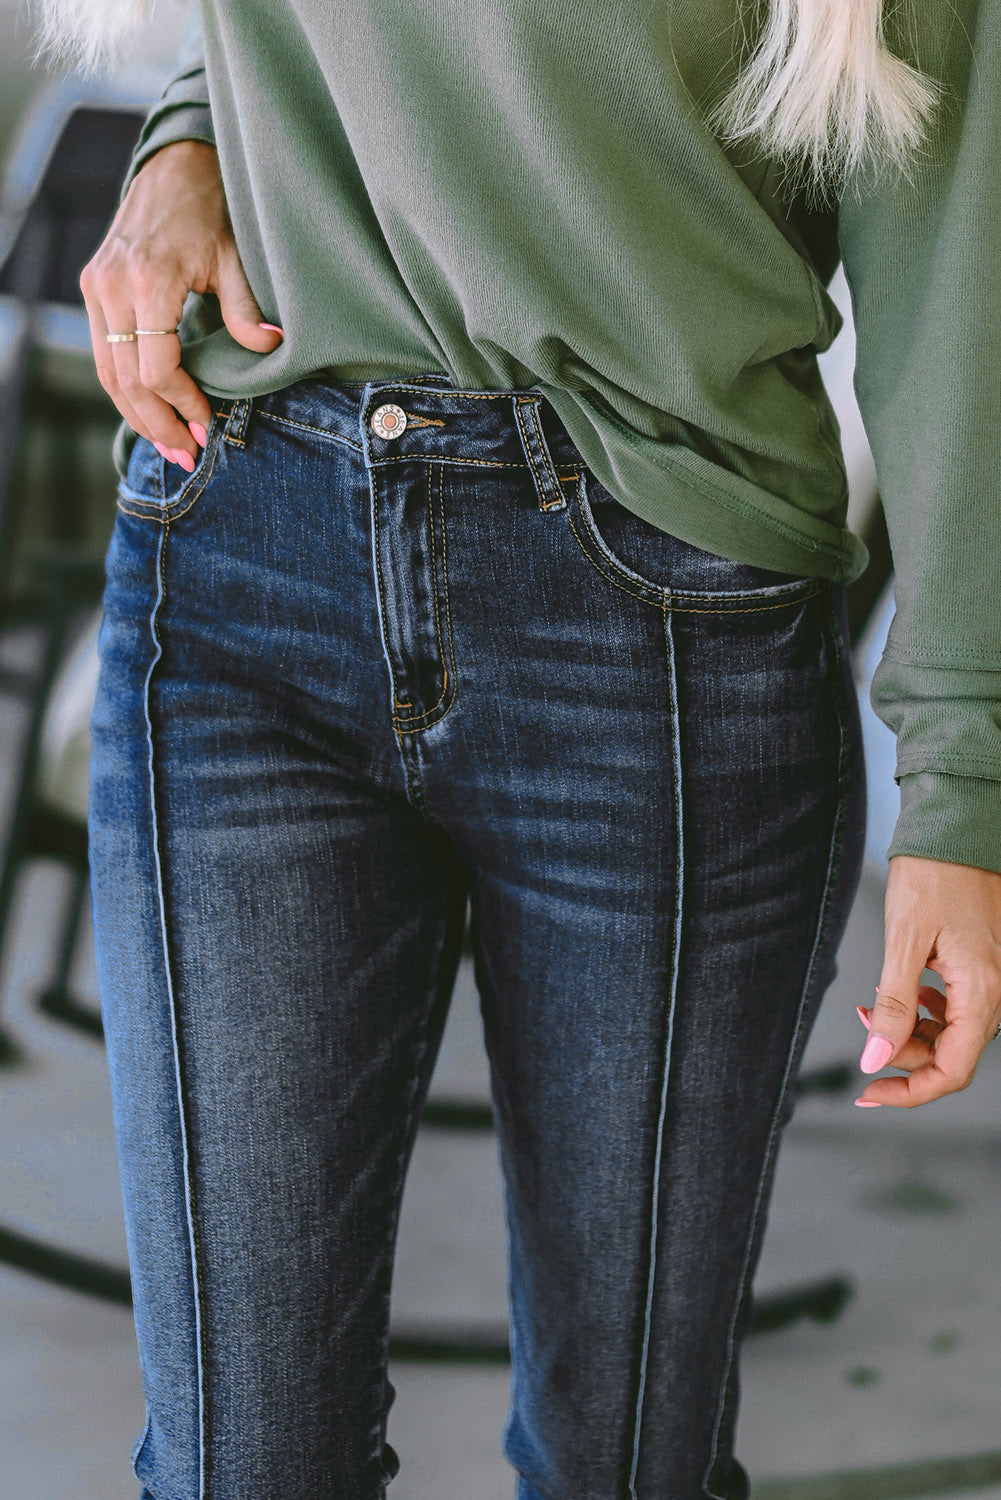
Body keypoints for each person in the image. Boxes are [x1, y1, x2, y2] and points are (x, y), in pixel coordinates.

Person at [32, 0, 1001, 1494]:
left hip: (660, 623)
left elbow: (956, 265)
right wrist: (189, 135)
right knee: (244, 1465)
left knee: (623, 1464)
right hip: (246, 545)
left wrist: (963, 784)